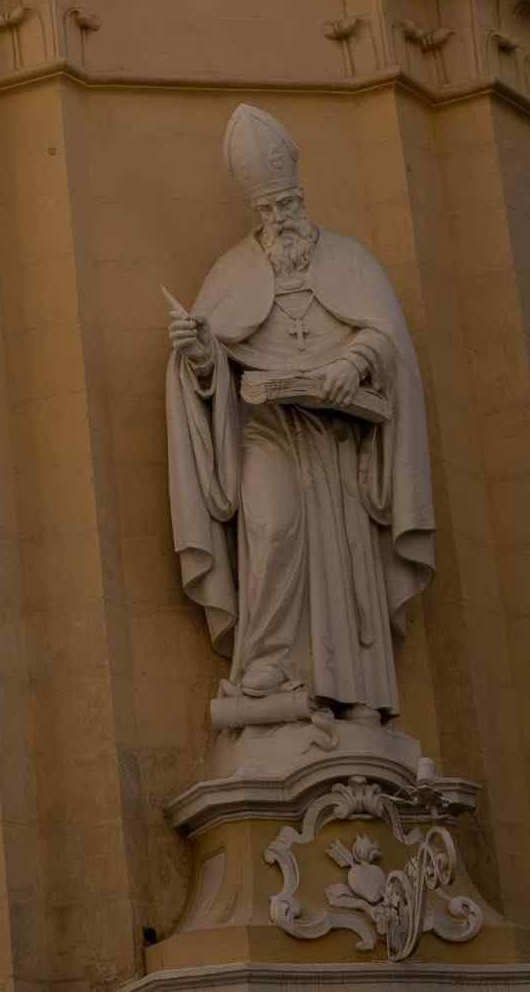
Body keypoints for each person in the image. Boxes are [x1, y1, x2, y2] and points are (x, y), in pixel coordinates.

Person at [166, 105, 434, 753]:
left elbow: (386, 340)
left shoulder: (348, 261)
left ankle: (355, 692)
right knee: (270, 525)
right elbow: (212, 367)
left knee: (341, 550)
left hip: (337, 437)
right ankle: (268, 664)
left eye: (288, 207)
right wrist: (198, 351)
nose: (282, 223)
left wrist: (352, 363)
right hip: (266, 430)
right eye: (271, 211)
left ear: (301, 197)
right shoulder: (232, 273)